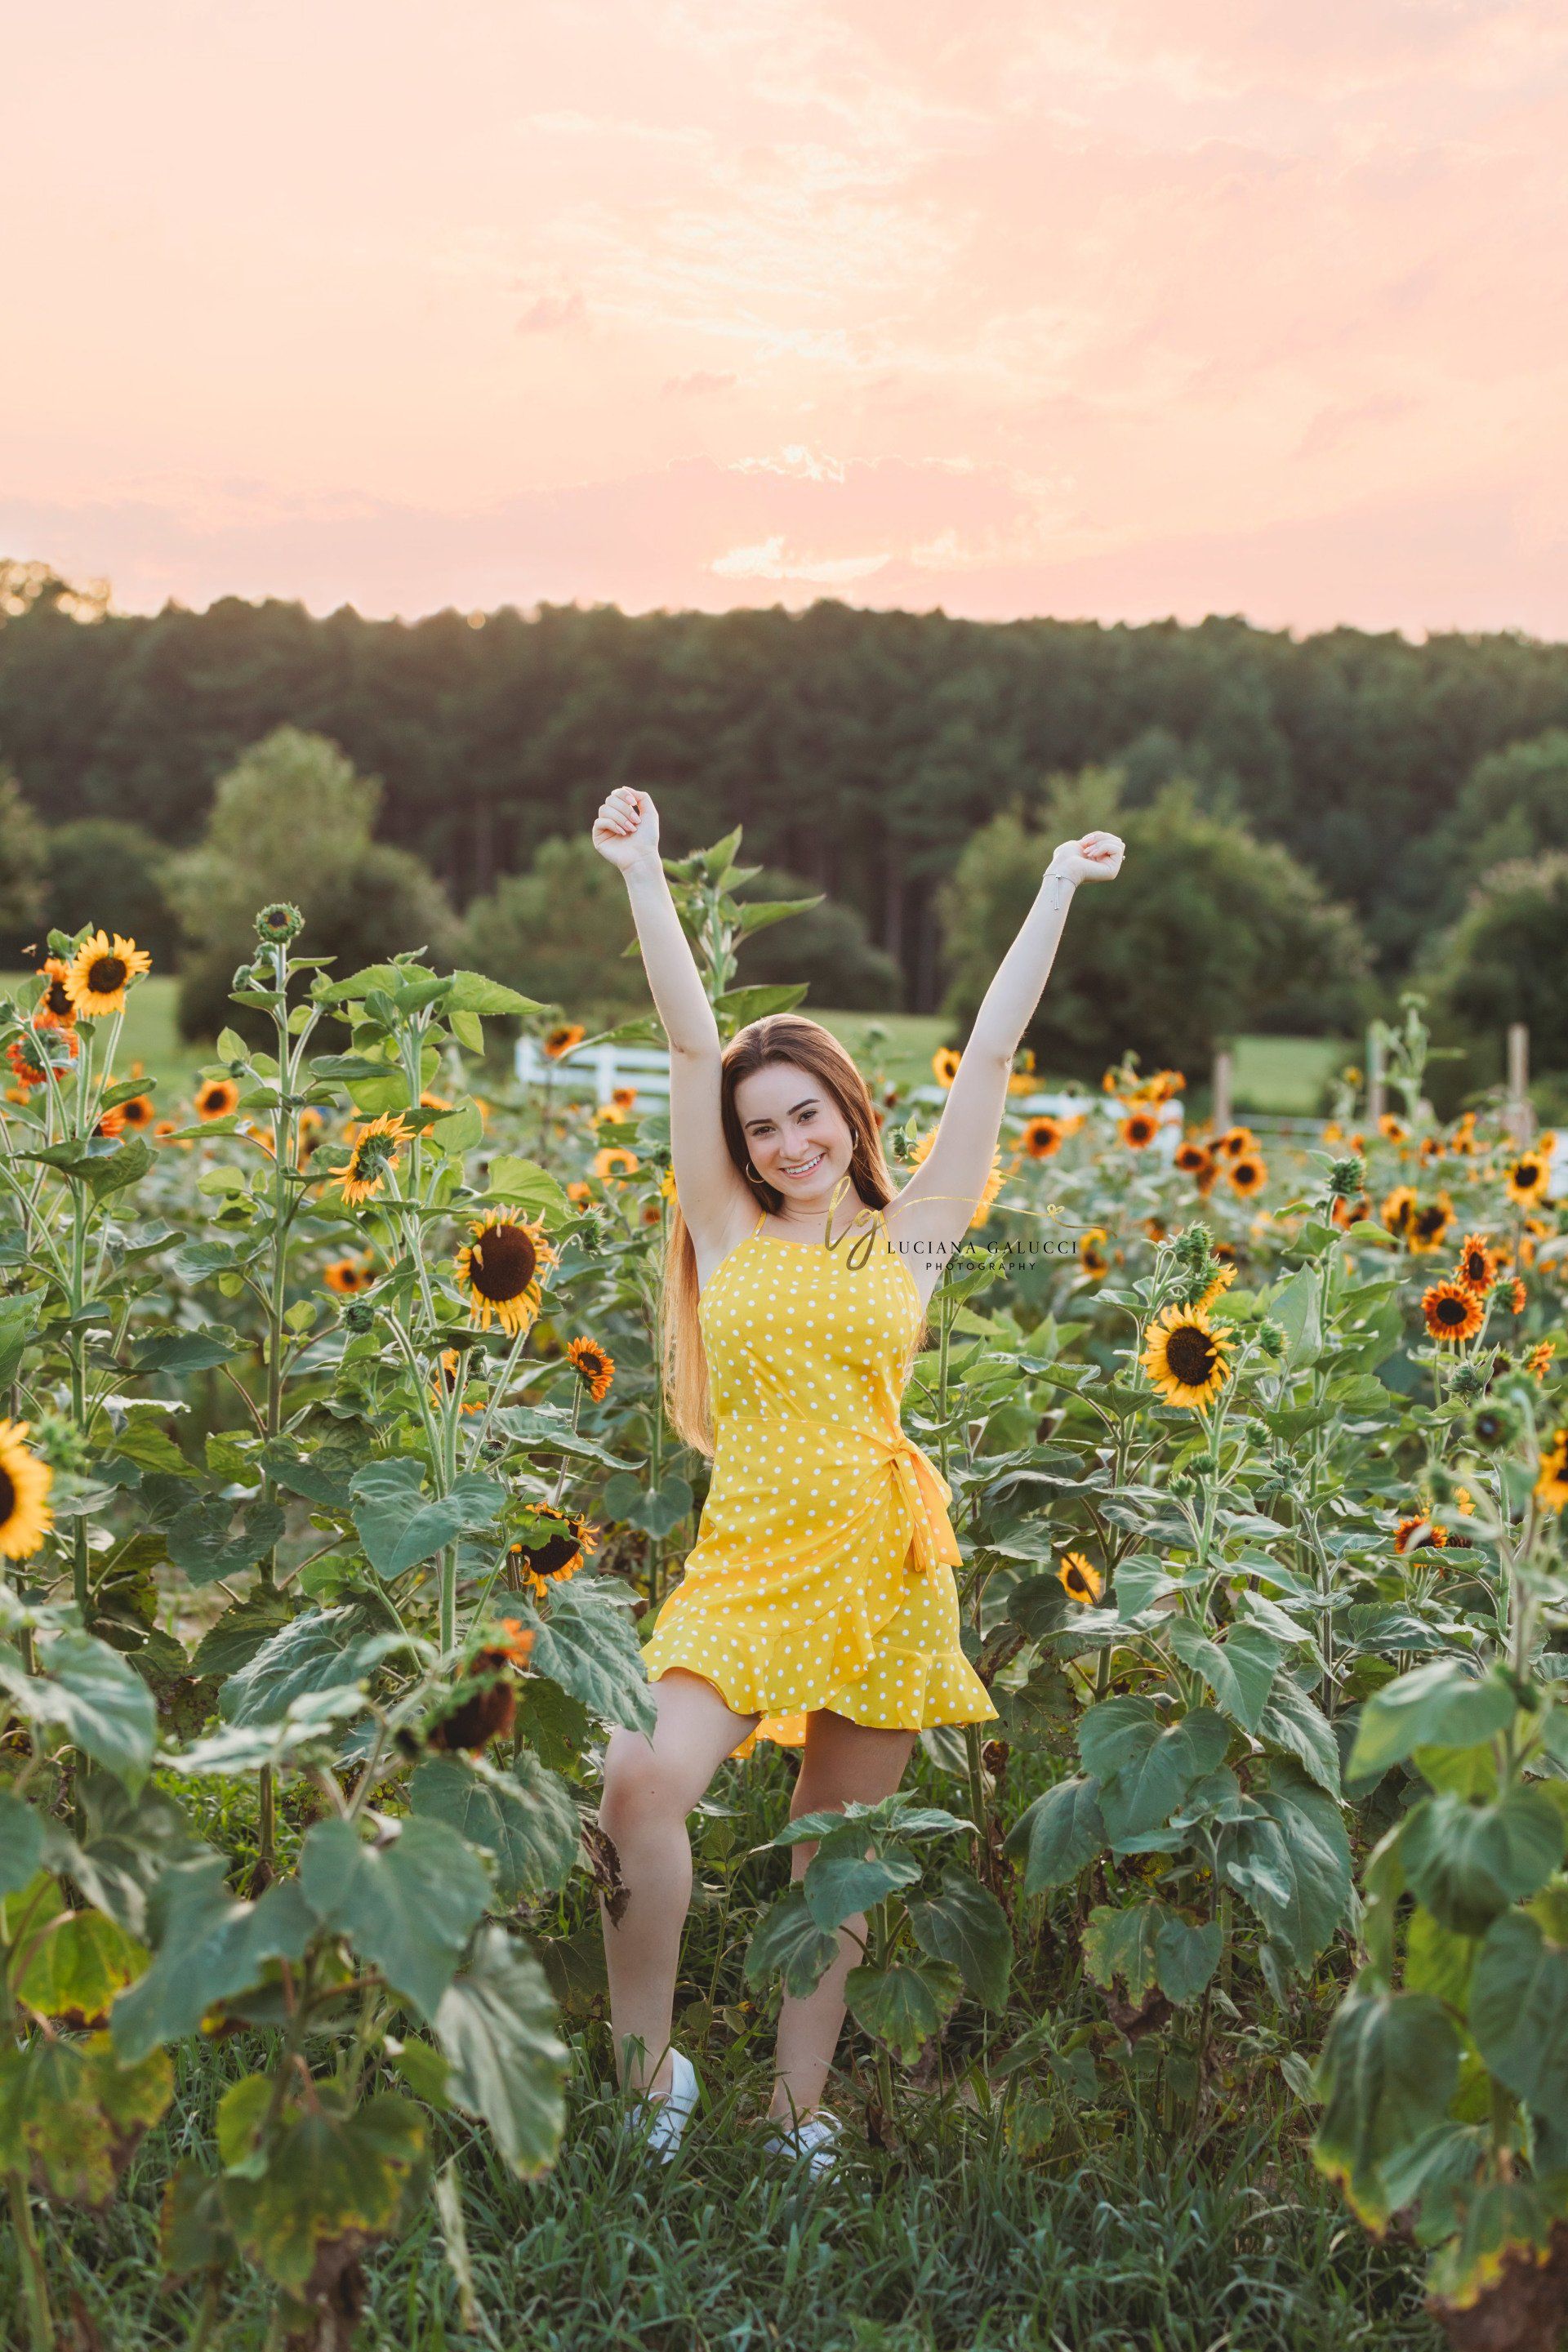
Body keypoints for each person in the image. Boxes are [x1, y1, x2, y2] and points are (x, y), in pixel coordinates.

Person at [590, 786, 1125, 2173]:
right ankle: (647, 2082)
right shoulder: (723, 1226)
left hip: (885, 1563)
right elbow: (690, 1035)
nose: (785, 1143)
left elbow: (997, 1050)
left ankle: (795, 2114)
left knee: (835, 1856)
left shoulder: (918, 1235)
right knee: (637, 1785)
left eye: (805, 1114)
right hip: (750, 1563)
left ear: (846, 1110)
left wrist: (1058, 880)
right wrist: (645, 871)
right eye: (761, 1126)